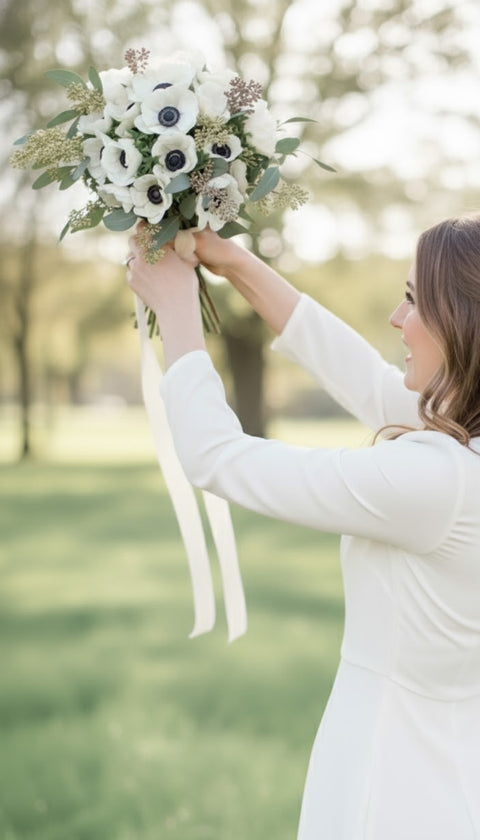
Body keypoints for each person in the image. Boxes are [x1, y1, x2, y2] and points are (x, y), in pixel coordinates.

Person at [126, 214, 480, 839]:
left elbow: (218, 457)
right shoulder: (463, 448)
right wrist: (231, 262)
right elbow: (364, 378)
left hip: (389, 772)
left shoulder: (436, 480)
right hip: (450, 760)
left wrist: (176, 309)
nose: (398, 321)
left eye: (412, 301)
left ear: (462, 321)